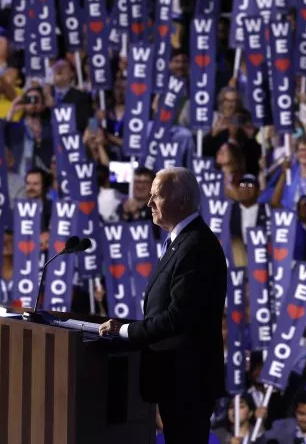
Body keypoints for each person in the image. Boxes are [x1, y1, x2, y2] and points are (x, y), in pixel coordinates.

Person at [99, 167, 227, 443]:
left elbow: (177, 318)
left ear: (181, 200)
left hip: (188, 381)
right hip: (174, 378)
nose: (148, 202)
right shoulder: (180, 242)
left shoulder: (196, 246)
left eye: (156, 195)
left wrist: (126, 331)